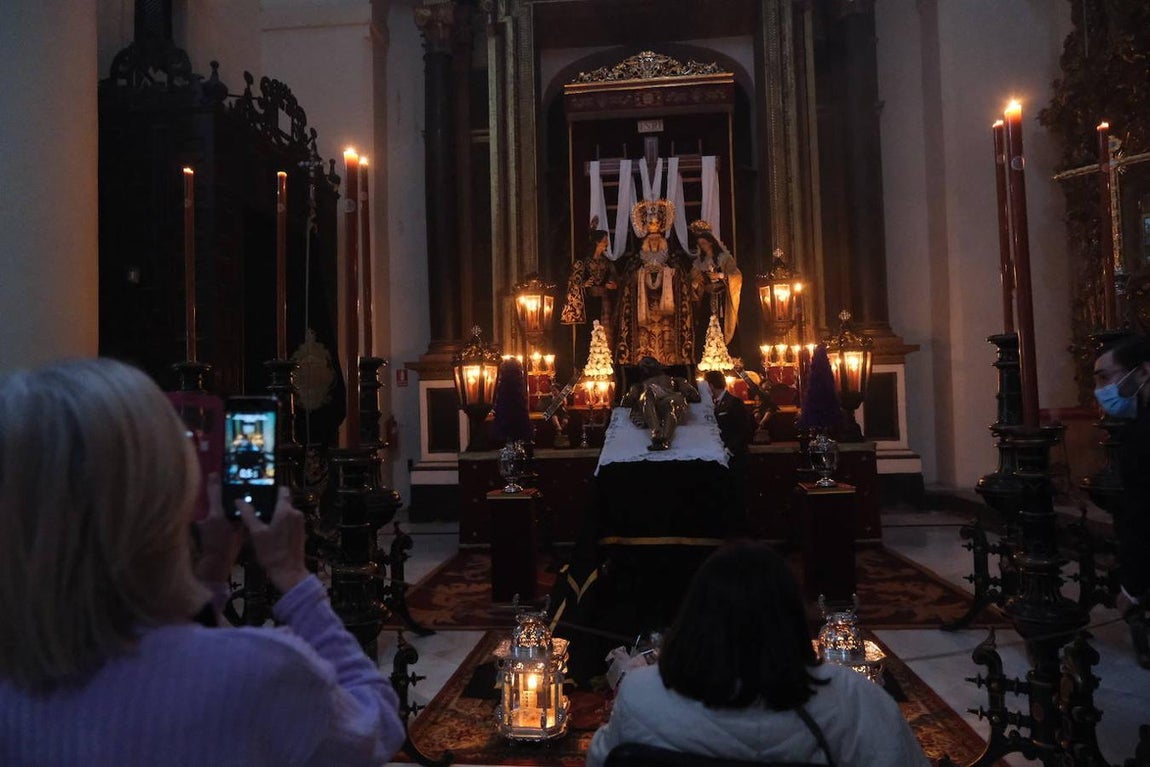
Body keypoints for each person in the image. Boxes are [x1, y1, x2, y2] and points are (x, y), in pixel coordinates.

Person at [0, 358, 406, 766]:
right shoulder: (262, 670)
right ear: (167, 494)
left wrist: (211, 570)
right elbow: (377, 727)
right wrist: (295, 578)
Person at [585, 541, 930, 767]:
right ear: (791, 620)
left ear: (693, 616)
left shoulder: (641, 694)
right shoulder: (851, 699)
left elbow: (602, 759)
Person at [1092, 333, 1150, 668]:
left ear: (1142, 371)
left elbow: (1142, 516)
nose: (1101, 391)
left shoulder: (1143, 436)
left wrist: (1131, 588)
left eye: (1105, 378)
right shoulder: (1139, 422)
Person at [615, 199, 695, 366]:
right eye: (650, 240)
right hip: (645, 305)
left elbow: (680, 277)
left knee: (667, 334)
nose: (653, 243)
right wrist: (641, 275)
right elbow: (630, 279)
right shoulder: (638, 260)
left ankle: (670, 362)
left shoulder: (670, 259)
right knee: (645, 336)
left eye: (656, 240)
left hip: (665, 305)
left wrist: (668, 274)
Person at [620, 356, 701, 451]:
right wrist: (632, 395)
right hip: (651, 404)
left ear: (658, 365)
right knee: (647, 394)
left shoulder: (677, 380)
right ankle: (656, 433)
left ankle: (664, 439)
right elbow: (625, 402)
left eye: (648, 362)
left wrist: (686, 391)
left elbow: (694, 395)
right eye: (643, 366)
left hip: (670, 398)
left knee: (670, 405)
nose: (645, 366)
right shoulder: (639, 386)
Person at [689, 220, 742, 348]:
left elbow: (737, 276)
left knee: (722, 323)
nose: (702, 247)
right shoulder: (698, 264)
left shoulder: (724, 258)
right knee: (705, 324)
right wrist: (695, 284)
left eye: (704, 243)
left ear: (711, 242)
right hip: (707, 298)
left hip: (722, 298)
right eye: (700, 244)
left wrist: (720, 275)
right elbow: (692, 282)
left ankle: (726, 352)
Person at [703, 369, 752, 461]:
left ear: (710, 386)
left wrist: (729, 449)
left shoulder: (734, 402)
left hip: (734, 456)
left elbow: (743, 429)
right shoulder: (713, 403)